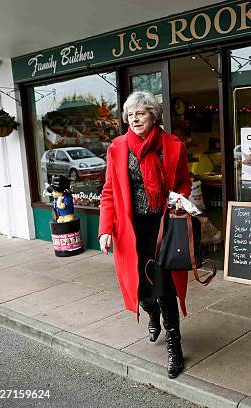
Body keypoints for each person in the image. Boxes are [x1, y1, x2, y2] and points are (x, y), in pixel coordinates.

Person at [98, 91, 191, 379]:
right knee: (141, 291)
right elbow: (110, 191)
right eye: (130, 114)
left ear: (154, 115)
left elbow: (185, 183)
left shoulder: (172, 146)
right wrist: (104, 229)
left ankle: (174, 346)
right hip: (132, 231)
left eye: (141, 112)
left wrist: (180, 199)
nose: (134, 118)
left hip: (163, 228)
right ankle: (151, 314)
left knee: (166, 289)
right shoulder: (118, 148)